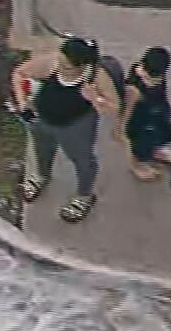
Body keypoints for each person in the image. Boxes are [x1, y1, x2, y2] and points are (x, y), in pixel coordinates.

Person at [10, 35, 119, 223]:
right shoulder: (53, 62)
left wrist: (95, 98)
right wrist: (22, 103)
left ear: (82, 66)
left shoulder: (96, 76)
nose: (60, 66)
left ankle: (84, 195)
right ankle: (41, 176)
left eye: (66, 65)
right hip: (43, 118)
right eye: (60, 59)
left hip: (76, 126)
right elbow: (19, 74)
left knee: (82, 160)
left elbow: (114, 106)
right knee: (42, 150)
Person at [116, 46, 171, 190]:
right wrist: (121, 129)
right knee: (139, 146)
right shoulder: (135, 88)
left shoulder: (158, 74)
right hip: (141, 121)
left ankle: (156, 152)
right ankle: (137, 166)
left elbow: (160, 93)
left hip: (156, 113)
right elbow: (127, 109)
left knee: (158, 136)